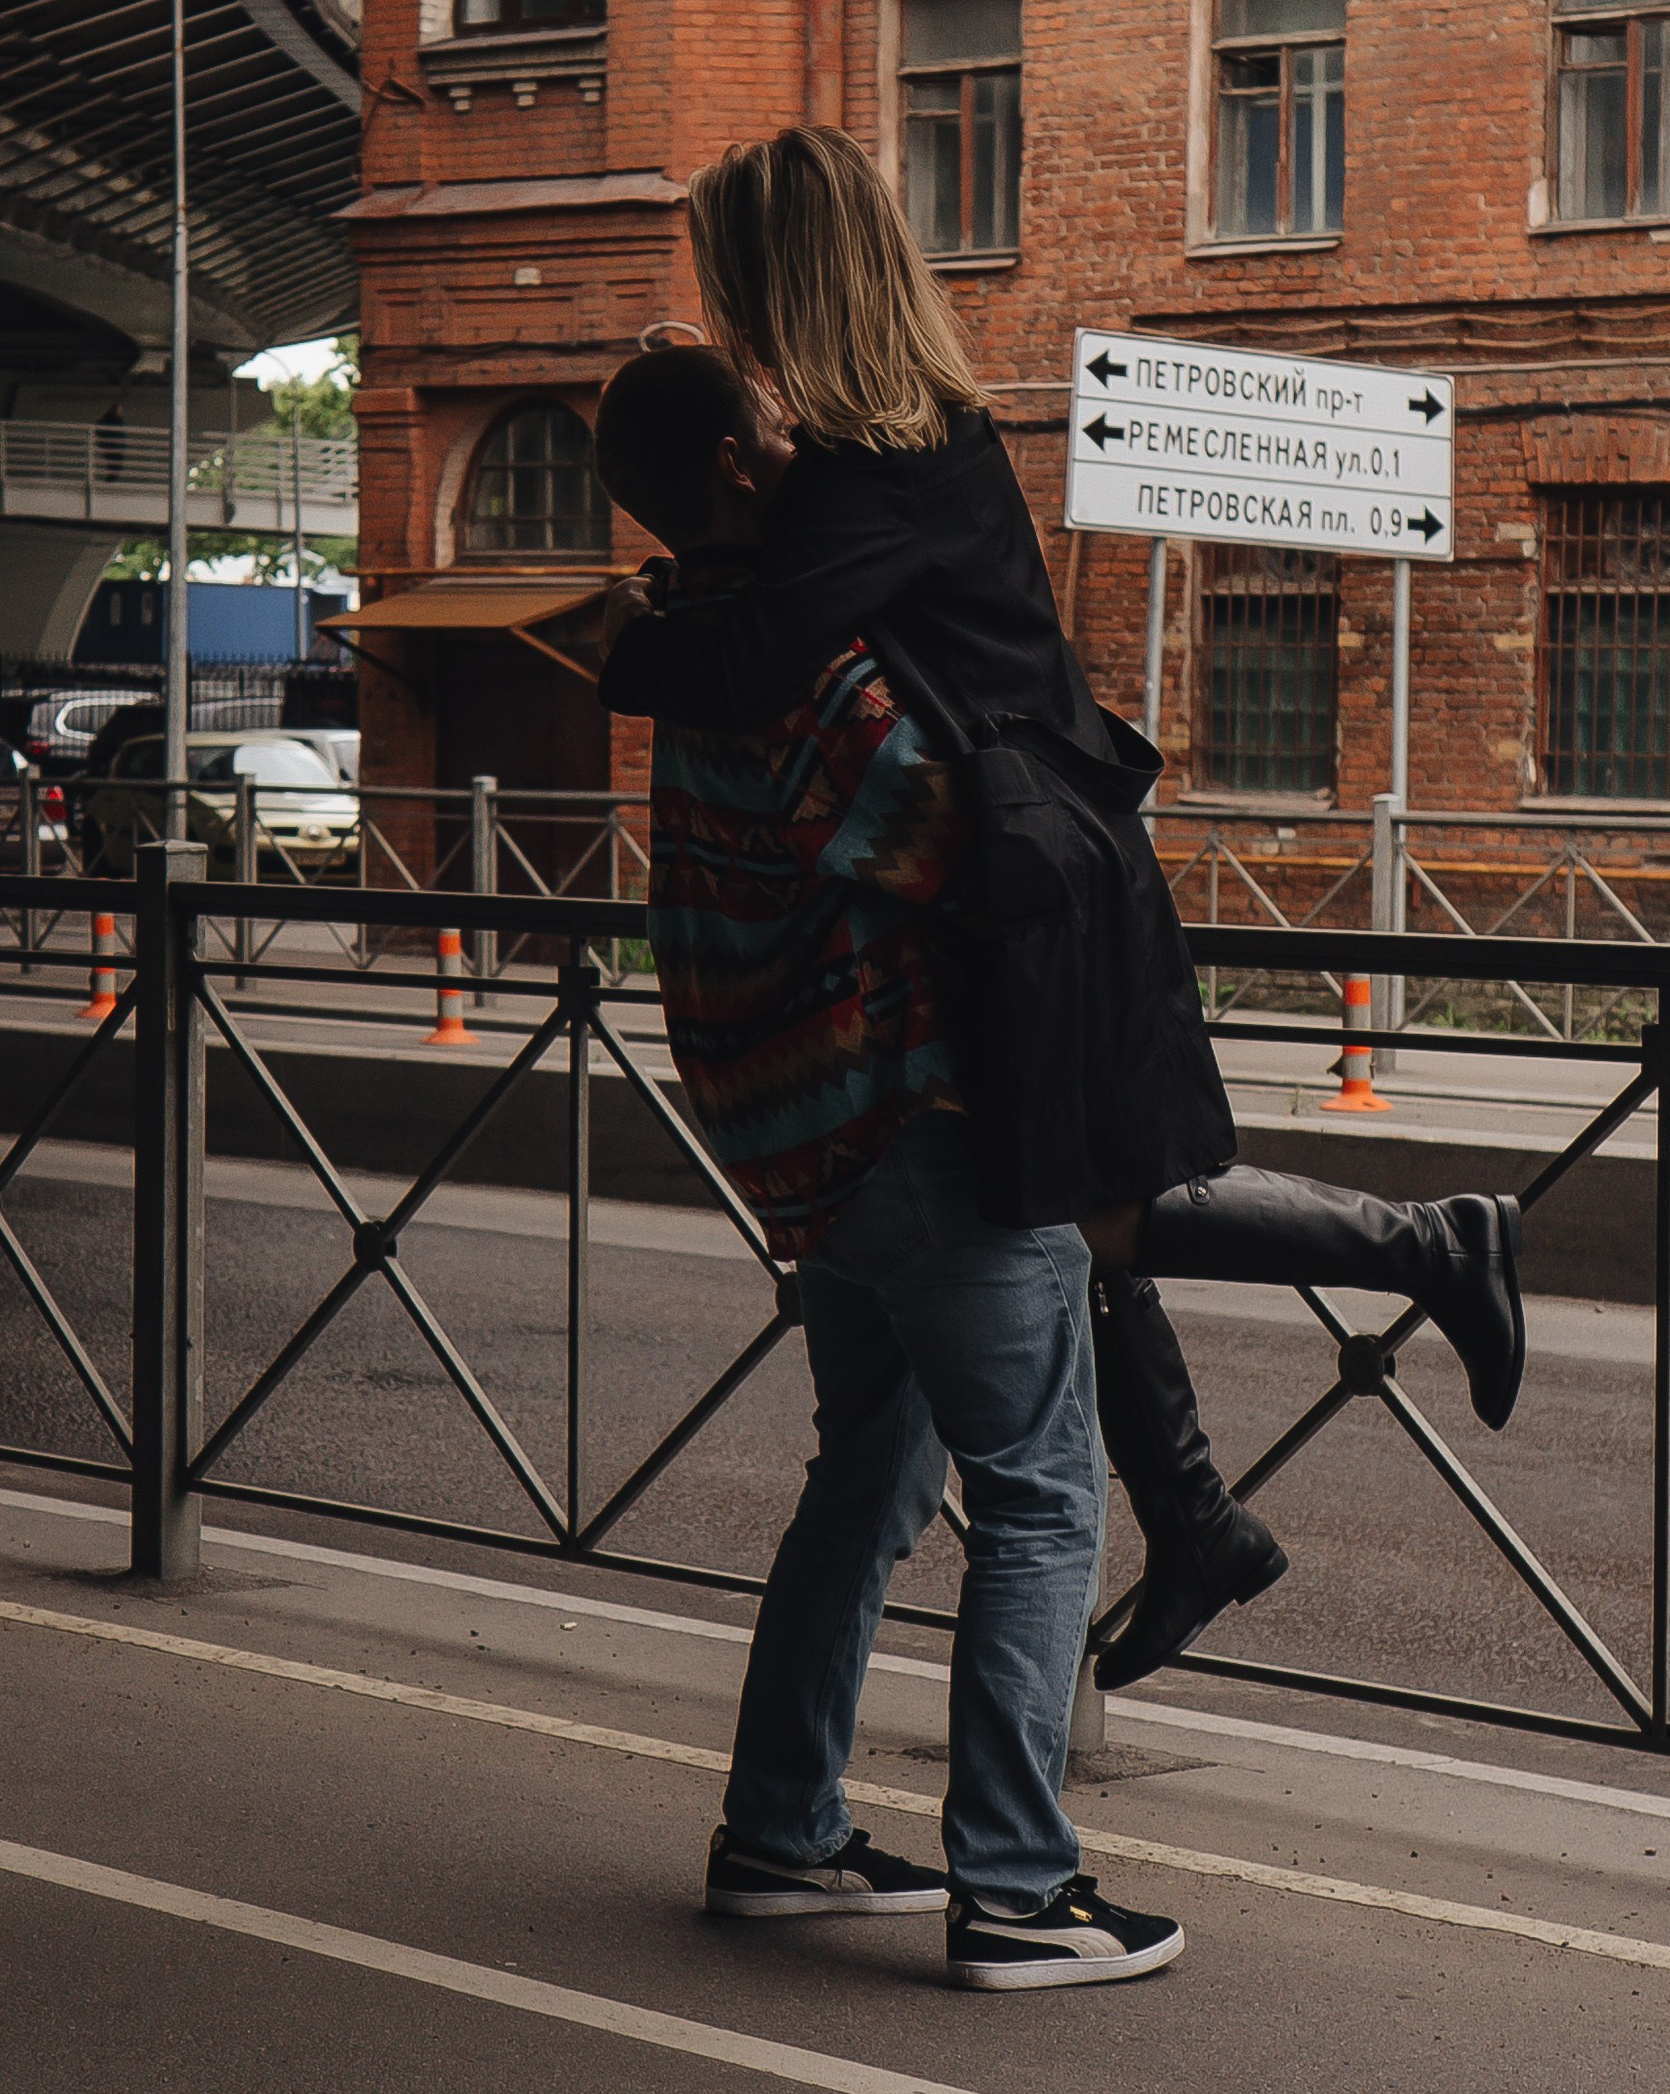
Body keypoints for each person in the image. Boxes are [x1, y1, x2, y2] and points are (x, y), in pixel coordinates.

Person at [600, 127, 1526, 1700]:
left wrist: (618, 636)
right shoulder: (895, 449)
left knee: (1090, 1217)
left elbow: (752, 668)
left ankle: (1423, 1259)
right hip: (1023, 880)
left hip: (1028, 893)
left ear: (783, 283)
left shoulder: (876, 475)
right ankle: (1210, 1508)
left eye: (732, 286)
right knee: (1080, 1216)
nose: (727, 323)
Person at [595, 338, 1184, 1989]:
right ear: (737, 464)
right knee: (1045, 1498)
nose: (805, 444)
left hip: (807, 1149)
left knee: (865, 1481)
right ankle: (1018, 1892)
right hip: (914, 1125)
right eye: (781, 425)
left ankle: (782, 1833)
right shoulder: (808, 675)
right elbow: (970, 851)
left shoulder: (698, 650)